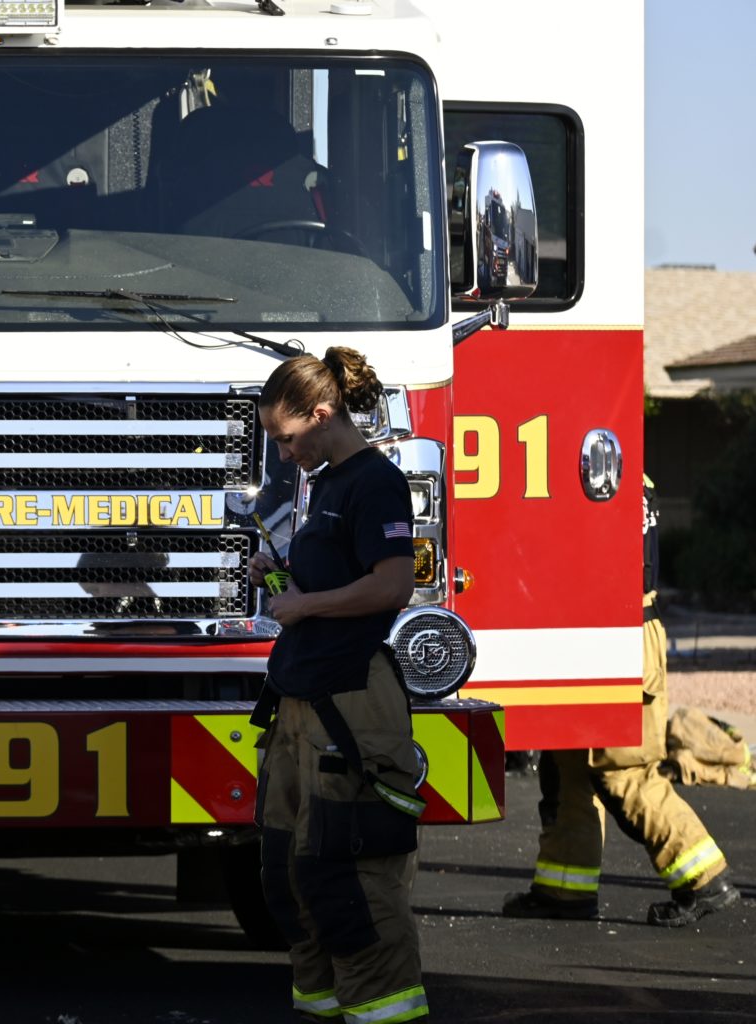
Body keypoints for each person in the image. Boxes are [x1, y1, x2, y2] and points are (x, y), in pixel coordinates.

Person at [248, 346, 429, 1023]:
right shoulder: (324, 483)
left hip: (351, 704)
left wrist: (304, 604)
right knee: (289, 872)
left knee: (348, 878)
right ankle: (321, 1006)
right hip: (303, 700)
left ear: (322, 414)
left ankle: (383, 1011)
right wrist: (276, 576)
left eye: (286, 437)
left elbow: (391, 585)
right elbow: (317, 590)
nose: (283, 452)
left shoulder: (374, 481)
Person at [502, 474, 741, 927]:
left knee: (623, 770)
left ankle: (705, 879)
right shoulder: (610, 465)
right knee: (570, 766)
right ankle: (564, 889)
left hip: (616, 634)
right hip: (597, 632)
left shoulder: (600, 469)